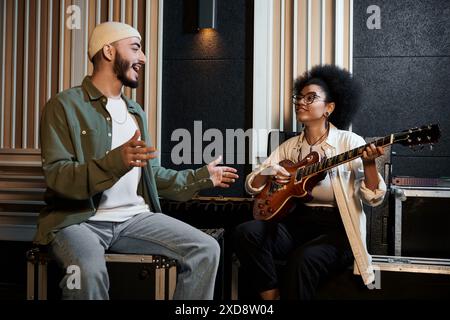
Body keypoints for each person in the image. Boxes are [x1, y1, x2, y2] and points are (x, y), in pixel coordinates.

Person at [34, 21, 239, 300]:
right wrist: (115, 161)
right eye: (135, 48)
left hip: (134, 219)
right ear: (108, 51)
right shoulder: (64, 106)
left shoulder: (135, 112)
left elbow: (151, 176)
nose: (142, 58)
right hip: (79, 222)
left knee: (206, 249)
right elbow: (58, 177)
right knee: (87, 272)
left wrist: (202, 176)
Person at [233, 64, 386, 300]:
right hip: (295, 224)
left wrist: (368, 164)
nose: (301, 102)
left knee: (301, 260)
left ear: (329, 108)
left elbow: (374, 197)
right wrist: (269, 172)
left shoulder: (350, 142)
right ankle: (270, 295)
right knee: (246, 232)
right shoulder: (289, 147)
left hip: (337, 231)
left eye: (310, 97)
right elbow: (251, 184)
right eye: (299, 97)